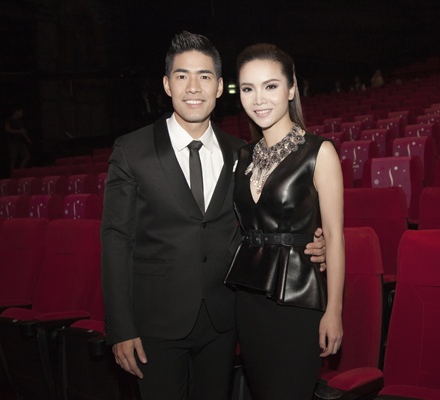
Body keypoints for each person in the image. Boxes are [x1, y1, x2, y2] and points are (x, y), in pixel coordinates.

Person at [100, 31, 326, 400]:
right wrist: (120, 327)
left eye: (204, 76)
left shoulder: (242, 153)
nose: (193, 87)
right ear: (167, 84)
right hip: (156, 322)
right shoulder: (132, 150)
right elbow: (115, 240)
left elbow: (266, 222)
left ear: (220, 87)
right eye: (182, 76)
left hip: (224, 319)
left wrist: (316, 243)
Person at [224, 43, 345, 399]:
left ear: (291, 89)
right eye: (248, 89)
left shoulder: (319, 152)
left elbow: (334, 237)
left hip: (298, 299)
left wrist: (334, 311)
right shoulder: (242, 157)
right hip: (249, 301)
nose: (258, 99)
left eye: (271, 86)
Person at [4, 105, 31, 173]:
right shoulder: (9, 119)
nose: (21, 114)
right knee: (13, 158)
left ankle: (20, 171)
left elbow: (22, 131)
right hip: (12, 142)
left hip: (20, 141)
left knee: (27, 156)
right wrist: (19, 131)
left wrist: (27, 139)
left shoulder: (19, 121)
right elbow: (7, 129)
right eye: (20, 112)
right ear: (16, 112)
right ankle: (12, 173)